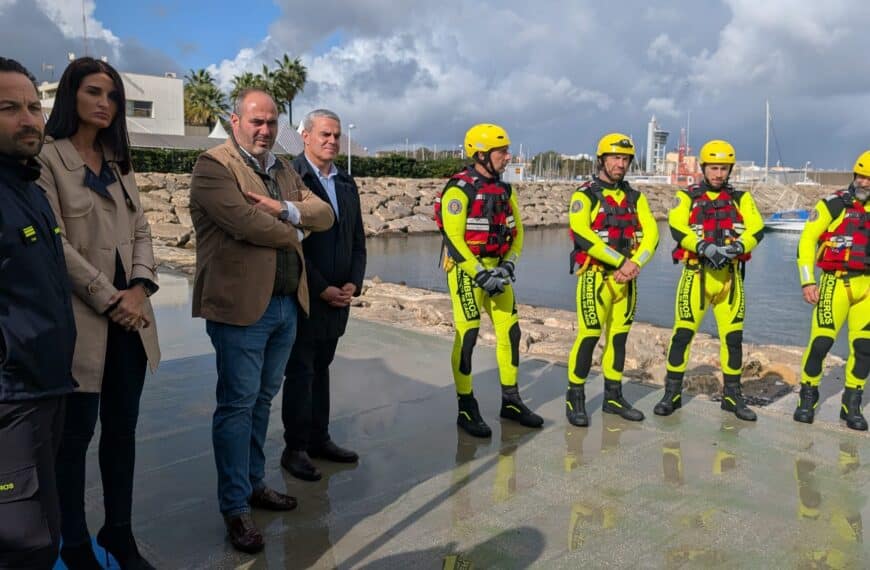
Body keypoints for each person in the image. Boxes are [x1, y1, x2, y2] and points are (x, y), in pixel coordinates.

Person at [190, 88, 334, 553]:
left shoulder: (283, 168)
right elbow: (243, 223)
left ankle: (253, 484)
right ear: (235, 120)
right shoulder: (213, 166)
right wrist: (296, 228)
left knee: (259, 403)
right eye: (256, 121)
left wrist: (286, 209)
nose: (265, 130)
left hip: (286, 306)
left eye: (272, 122)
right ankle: (235, 508)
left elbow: (326, 213)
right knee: (236, 406)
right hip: (240, 310)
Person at [37, 57, 161, 569]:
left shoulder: (117, 161)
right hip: (83, 327)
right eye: (94, 92)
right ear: (71, 96)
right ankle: (73, 541)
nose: (104, 103)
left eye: (112, 95)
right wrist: (109, 298)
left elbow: (141, 231)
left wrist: (138, 288)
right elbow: (53, 243)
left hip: (131, 325)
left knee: (122, 434)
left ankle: (118, 531)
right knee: (73, 440)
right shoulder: (47, 160)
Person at [0, 56, 76, 570]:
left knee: (43, 539)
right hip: (11, 400)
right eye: (9, 108)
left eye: (33, 105)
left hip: (44, 391)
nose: (29, 118)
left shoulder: (27, 187)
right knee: (24, 546)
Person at [434, 123, 543, 438]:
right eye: (502, 151)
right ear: (480, 154)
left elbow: (518, 233)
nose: (508, 157)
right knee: (467, 334)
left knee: (511, 332)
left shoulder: (505, 190)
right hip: (467, 273)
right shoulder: (459, 189)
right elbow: (453, 239)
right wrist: (480, 274)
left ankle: (510, 400)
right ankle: (466, 406)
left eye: (507, 150)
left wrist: (508, 266)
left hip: (498, 270)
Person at [280, 109, 366, 481]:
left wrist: (354, 282)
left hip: (339, 297)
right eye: (325, 135)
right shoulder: (289, 178)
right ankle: (295, 448)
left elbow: (358, 239)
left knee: (322, 369)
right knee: (300, 372)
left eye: (336, 136)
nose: (332, 141)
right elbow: (291, 245)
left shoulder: (346, 183)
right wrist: (321, 288)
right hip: (305, 294)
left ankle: (319, 439)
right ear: (306, 136)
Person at [653, 140, 764, 422]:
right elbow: (677, 226)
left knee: (733, 339)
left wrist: (738, 247)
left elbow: (757, 228)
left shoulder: (742, 199)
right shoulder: (687, 197)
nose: (718, 174)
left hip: (730, 280)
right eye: (713, 168)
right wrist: (703, 247)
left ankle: (732, 396)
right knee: (682, 336)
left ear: (730, 170)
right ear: (703, 168)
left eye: (723, 169)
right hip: (696, 278)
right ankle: (672, 393)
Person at [565, 133, 659, 426]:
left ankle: (613, 398)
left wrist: (635, 264)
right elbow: (582, 234)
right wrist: (622, 262)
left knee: (618, 339)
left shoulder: (635, 197)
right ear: (602, 159)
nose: (621, 164)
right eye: (615, 158)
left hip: (626, 282)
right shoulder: (585, 195)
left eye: (626, 159)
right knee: (590, 336)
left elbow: (652, 235)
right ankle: (576, 398)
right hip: (595, 280)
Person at [793, 151, 870, 431]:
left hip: (868, 289)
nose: (865, 182)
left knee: (864, 348)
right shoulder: (832, 204)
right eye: (861, 176)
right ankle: (808, 396)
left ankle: (852, 403)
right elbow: (806, 241)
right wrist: (807, 281)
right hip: (834, 283)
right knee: (821, 342)